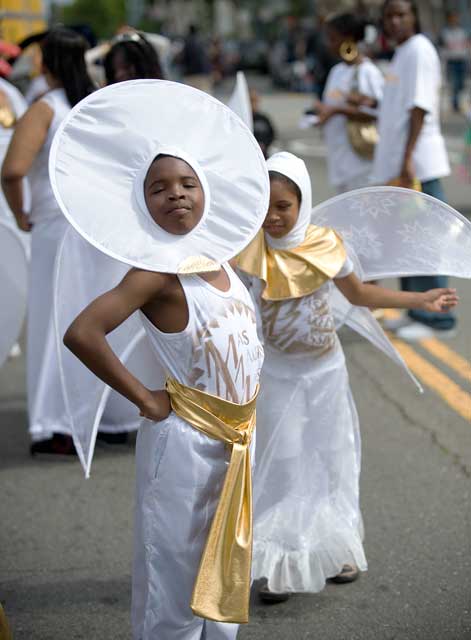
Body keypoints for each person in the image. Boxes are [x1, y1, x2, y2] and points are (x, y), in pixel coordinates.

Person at [48, 79, 269, 638]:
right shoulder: (156, 271)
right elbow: (84, 332)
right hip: (185, 449)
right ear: (142, 204)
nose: (176, 195)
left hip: (236, 445)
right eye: (158, 188)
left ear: (206, 190)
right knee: (174, 581)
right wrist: (144, 397)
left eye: (187, 183)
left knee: (222, 574)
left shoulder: (220, 260)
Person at [237, 151, 458, 602]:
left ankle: (338, 549)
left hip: (325, 372)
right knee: (284, 461)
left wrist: (420, 301)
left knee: (333, 456)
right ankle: (283, 562)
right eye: (266, 206)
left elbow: (360, 293)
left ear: (303, 204)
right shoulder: (247, 254)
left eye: (285, 206)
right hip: (278, 376)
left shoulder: (325, 246)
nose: (274, 216)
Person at [1, 27, 94, 454]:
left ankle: (55, 422)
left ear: (46, 62)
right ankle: (103, 417)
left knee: (53, 320)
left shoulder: (45, 108)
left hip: (54, 227)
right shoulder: (97, 103)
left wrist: (21, 213)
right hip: (95, 226)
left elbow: (12, 169)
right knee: (97, 318)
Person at [373, 0, 454, 340]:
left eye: (401, 14)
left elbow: (419, 108)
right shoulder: (403, 52)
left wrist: (407, 160)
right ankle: (415, 311)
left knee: (426, 244)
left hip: (417, 165)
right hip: (401, 165)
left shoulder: (419, 49)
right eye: (389, 16)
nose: (394, 21)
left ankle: (440, 320)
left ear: (414, 17)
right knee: (406, 244)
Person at [314, 13, 384, 193]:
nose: (329, 44)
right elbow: (330, 103)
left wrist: (336, 111)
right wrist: (321, 110)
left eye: (333, 38)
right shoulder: (336, 71)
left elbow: (377, 112)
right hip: (339, 158)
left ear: (349, 39)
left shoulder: (368, 72)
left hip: (361, 161)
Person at [439, 12, 469, 113]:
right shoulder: (445, 32)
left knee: (461, 83)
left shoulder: (462, 31)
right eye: (452, 18)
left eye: (455, 18)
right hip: (451, 60)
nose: (454, 20)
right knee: (453, 83)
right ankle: (455, 104)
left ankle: (457, 102)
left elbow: (466, 44)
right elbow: (442, 46)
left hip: (461, 59)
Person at [250, 88, 277, 159]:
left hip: (263, 156)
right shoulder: (242, 119)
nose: (253, 104)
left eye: (255, 101)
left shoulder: (263, 118)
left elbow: (272, 134)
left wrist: (264, 145)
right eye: (251, 101)